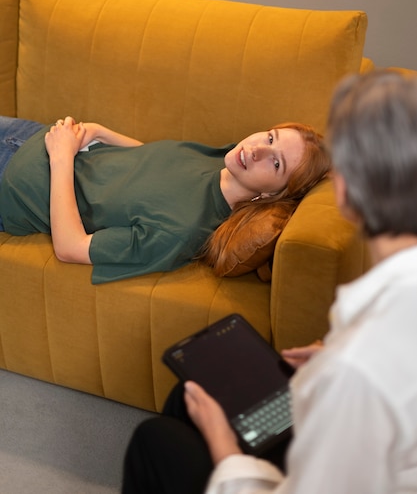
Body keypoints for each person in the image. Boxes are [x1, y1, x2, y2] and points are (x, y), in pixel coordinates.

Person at [121, 69, 417, 493]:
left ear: (347, 196)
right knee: (190, 395)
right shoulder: (386, 313)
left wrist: (227, 451)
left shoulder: (361, 372)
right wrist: (331, 357)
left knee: (155, 438)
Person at [0, 116, 329, 283]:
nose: (257, 149)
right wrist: (99, 132)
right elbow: (153, 162)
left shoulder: (182, 232)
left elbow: (70, 247)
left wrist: (62, 158)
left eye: (275, 162)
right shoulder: (224, 161)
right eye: (270, 137)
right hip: (31, 134)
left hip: (11, 185)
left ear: (272, 194)